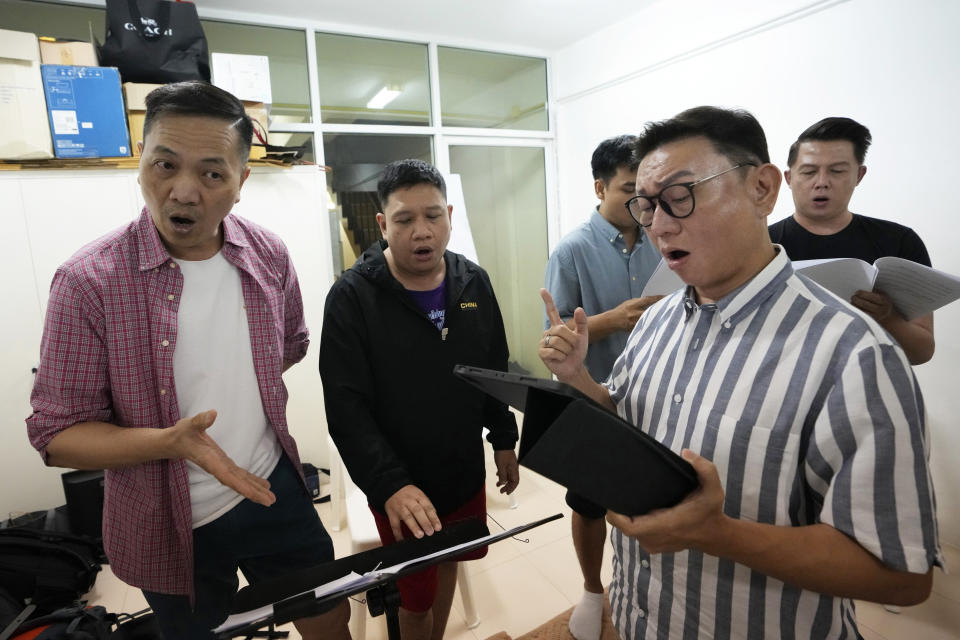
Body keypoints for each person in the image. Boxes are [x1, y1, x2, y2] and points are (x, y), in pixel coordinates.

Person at [538, 106, 942, 639]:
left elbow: (901, 575)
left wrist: (718, 533)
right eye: (646, 205)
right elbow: (628, 422)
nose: (659, 224)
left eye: (681, 197)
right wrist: (578, 380)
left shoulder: (854, 354)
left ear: (763, 188)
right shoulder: (656, 320)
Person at [26, 81, 349, 640]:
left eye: (211, 172)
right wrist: (168, 442)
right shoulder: (88, 282)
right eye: (165, 164)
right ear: (141, 164)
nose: (183, 191)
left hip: (272, 484)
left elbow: (289, 345)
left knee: (328, 616)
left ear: (241, 182)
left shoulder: (268, 253)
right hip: (165, 519)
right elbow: (56, 437)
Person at [319, 159, 520, 640]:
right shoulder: (353, 297)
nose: (421, 232)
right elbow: (346, 408)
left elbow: (492, 367)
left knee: (451, 560)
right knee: (413, 598)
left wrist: (505, 438)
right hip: (402, 484)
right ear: (384, 225)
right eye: (405, 220)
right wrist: (389, 485)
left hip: (461, 467)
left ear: (449, 215)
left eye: (432, 216)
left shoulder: (473, 281)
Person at [543, 135, 663, 640]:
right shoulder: (573, 249)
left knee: (653, 498)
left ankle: (648, 589)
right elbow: (554, 340)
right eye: (629, 191)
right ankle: (594, 590)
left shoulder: (663, 236)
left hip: (657, 394)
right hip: (594, 395)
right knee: (590, 503)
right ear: (599, 187)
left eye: (648, 195)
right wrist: (610, 321)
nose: (641, 205)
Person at [769, 116, 934, 364]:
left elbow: (922, 352)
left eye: (837, 171)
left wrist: (886, 317)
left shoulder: (900, 241)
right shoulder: (762, 245)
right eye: (809, 171)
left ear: (859, 175)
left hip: (871, 391)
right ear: (789, 178)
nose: (822, 182)